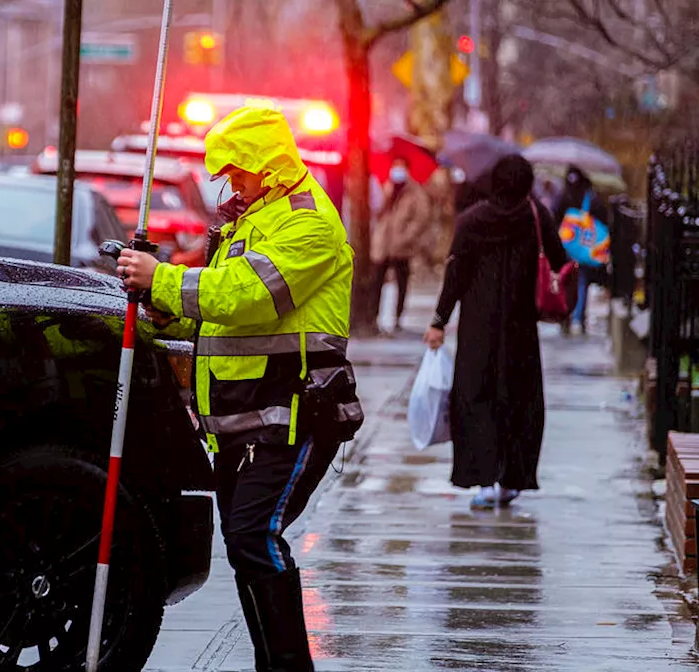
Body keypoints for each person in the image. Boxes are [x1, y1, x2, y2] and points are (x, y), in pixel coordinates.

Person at [118, 104, 361, 672]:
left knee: (255, 535)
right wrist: (162, 309)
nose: (233, 183)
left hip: (295, 413)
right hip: (243, 420)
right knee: (245, 543)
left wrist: (165, 280)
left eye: (240, 172)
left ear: (270, 167)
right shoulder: (249, 219)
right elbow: (219, 313)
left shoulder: (309, 224)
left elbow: (250, 296)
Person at [423, 155, 567, 509]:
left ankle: (482, 481)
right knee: (518, 401)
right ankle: (512, 480)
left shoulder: (472, 221)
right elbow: (560, 259)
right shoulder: (535, 217)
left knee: (476, 399)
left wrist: (439, 320)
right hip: (521, 331)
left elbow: (455, 276)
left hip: (478, 331)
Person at [371, 157, 433, 332]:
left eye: (400, 167)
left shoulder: (415, 192)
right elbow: (378, 211)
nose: (397, 171)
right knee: (377, 282)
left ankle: (397, 319)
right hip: (383, 245)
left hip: (402, 246)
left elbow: (422, 218)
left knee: (401, 283)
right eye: (395, 166)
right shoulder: (387, 187)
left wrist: (407, 237)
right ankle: (374, 316)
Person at [555, 165, 609, 335]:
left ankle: (566, 315)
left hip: (566, 247)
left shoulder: (564, 196)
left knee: (565, 281)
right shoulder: (591, 198)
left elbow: (555, 218)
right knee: (581, 282)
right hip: (586, 248)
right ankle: (578, 316)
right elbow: (603, 222)